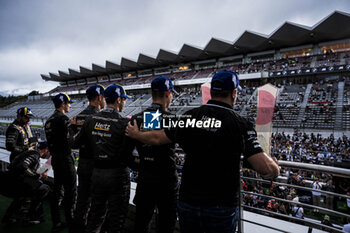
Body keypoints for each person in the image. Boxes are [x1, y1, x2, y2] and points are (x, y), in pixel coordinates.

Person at [126, 70, 280, 233]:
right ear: (234, 93)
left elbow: (156, 138)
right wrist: (275, 169)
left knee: (143, 223)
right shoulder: (240, 123)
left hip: (184, 198)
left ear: (212, 91)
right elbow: (264, 168)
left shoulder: (188, 116)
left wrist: (137, 136)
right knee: (166, 225)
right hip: (217, 203)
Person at [73, 84, 134, 233]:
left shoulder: (90, 120)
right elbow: (129, 156)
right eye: (124, 99)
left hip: (97, 174)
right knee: (116, 220)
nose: (125, 103)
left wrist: (72, 127)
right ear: (119, 100)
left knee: (95, 217)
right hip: (117, 176)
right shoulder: (124, 123)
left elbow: (75, 142)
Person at [124, 76, 178, 233]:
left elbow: (126, 155)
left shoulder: (135, 119)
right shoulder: (172, 119)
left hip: (146, 178)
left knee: (141, 223)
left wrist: (142, 166)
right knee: (166, 225)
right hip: (167, 181)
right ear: (168, 93)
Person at [2, 141, 63, 230]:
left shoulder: (29, 153)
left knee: (33, 186)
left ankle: (9, 216)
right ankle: (31, 217)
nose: (48, 154)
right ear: (46, 150)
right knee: (45, 188)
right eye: (48, 152)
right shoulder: (34, 154)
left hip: (9, 182)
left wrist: (38, 174)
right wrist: (37, 176)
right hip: (15, 184)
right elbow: (23, 166)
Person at [70, 84, 106, 231]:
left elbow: (74, 142)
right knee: (98, 204)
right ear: (99, 98)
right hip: (97, 166)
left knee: (82, 201)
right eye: (103, 97)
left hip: (83, 164)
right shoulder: (100, 117)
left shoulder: (78, 117)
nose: (105, 100)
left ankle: (77, 228)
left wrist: (71, 128)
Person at [45, 92, 76, 231]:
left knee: (57, 191)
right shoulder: (63, 119)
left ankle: (56, 222)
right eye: (69, 103)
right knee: (71, 192)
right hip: (65, 159)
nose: (70, 106)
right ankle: (71, 222)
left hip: (55, 160)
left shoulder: (49, 121)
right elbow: (70, 142)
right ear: (63, 104)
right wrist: (73, 126)